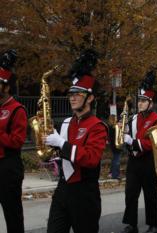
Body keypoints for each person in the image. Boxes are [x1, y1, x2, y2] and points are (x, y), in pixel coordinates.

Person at [45, 49, 108, 233]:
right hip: (63, 189)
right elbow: (63, 153)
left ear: (90, 98)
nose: (72, 97)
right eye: (71, 93)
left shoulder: (97, 126)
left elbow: (91, 159)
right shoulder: (66, 122)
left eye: (78, 94)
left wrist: (61, 144)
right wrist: (51, 150)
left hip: (85, 194)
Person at [120, 70, 157, 233]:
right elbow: (127, 135)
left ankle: (153, 223)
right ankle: (132, 224)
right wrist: (122, 133)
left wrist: (133, 142)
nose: (140, 103)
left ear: (150, 103)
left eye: (144, 101)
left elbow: (152, 143)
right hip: (134, 161)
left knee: (150, 194)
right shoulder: (134, 118)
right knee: (130, 193)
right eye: (140, 100)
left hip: (149, 160)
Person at [0, 49, 27, 233]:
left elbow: (17, 141)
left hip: (8, 167)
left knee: (12, 214)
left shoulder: (17, 110)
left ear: (6, 87)